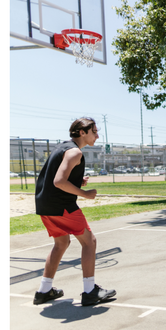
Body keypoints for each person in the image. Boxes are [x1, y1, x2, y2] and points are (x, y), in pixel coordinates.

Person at [32, 117, 117, 306]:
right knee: (89, 242)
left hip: (45, 205)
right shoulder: (75, 153)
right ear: (82, 132)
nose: (97, 135)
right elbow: (59, 182)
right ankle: (90, 291)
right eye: (94, 131)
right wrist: (84, 193)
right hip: (61, 206)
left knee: (61, 244)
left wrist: (78, 182)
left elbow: (57, 177)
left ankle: (44, 291)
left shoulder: (63, 147)